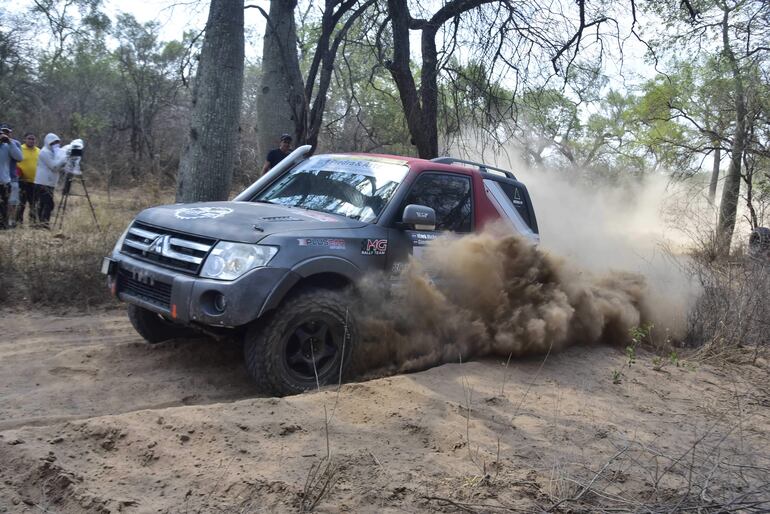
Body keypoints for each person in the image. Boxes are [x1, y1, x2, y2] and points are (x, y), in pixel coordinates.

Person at [34, 133, 67, 228]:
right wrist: (63, 160)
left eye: (57, 142)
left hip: (50, 183)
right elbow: (54, 166)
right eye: (53, 142)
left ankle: (41, 223)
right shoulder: (44, 152)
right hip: (42, 182)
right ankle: (42, 224)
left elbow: (59, 167)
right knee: (48, 204)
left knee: (45, 204)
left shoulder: (55, 153)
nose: (56, 144)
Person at [0, 123, 23, 229]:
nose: (3, 135)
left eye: (5, 133)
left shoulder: (9, 145)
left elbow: (19, 157)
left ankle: (4, 226)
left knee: (5, 206)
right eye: (1, 133)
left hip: (5, 182)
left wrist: (9, 142)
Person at [16, 132, 39, 225]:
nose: (31, 140)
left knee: (33, 204)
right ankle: (18, 223)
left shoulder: (39, 151)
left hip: (35, 182)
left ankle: (33, 223)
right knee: (21, 204)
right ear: (24, 139)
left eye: (33, 139)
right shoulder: (19, 149)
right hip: (22, 181)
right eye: (29, 138)